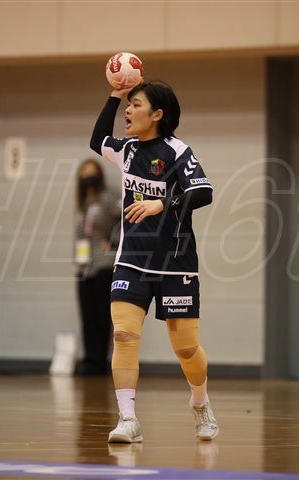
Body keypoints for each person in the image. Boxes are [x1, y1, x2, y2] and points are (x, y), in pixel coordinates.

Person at [90, 80, 218, 443]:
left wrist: (161, 203)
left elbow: (203, 192)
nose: (128, 112)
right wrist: (114, 95)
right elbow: (98, 139)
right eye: (127, 105)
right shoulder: (127, 150)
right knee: (124, 335)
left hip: (176, 262)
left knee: (186, 348)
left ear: (157, 114)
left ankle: (200, 402)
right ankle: (128, 419)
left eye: (136, 105)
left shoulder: (177, 151)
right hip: (132, 259)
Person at [74, 158, 120, 376]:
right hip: (85, 266)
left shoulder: (108, 198)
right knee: (87, 315)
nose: (88, 177)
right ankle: (90, 359)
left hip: (104, 264)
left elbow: (127, 217)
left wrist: (113, 240)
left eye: (92, 173)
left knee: (103, 316)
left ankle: (100, 361)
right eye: (84, 174)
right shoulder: (83, 203)